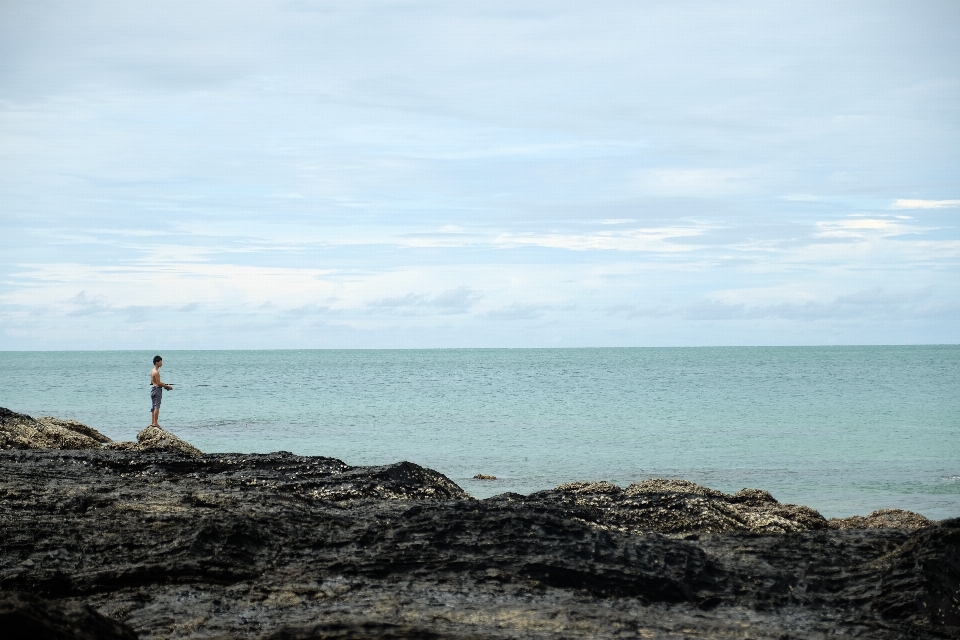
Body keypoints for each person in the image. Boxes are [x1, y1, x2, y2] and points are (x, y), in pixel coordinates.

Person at [149, 355, 173, 427]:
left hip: (153, 389)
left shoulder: (152, 371)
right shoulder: (156, 372)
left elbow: (152, 382)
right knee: (157, 407)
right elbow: (158, 383)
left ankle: (153, 422)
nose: (161, 363)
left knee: (153, 406)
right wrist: (167, 386)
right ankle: (155, 423)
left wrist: (164, 384)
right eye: (160, 361)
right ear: (157, 362)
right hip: (157, 390)